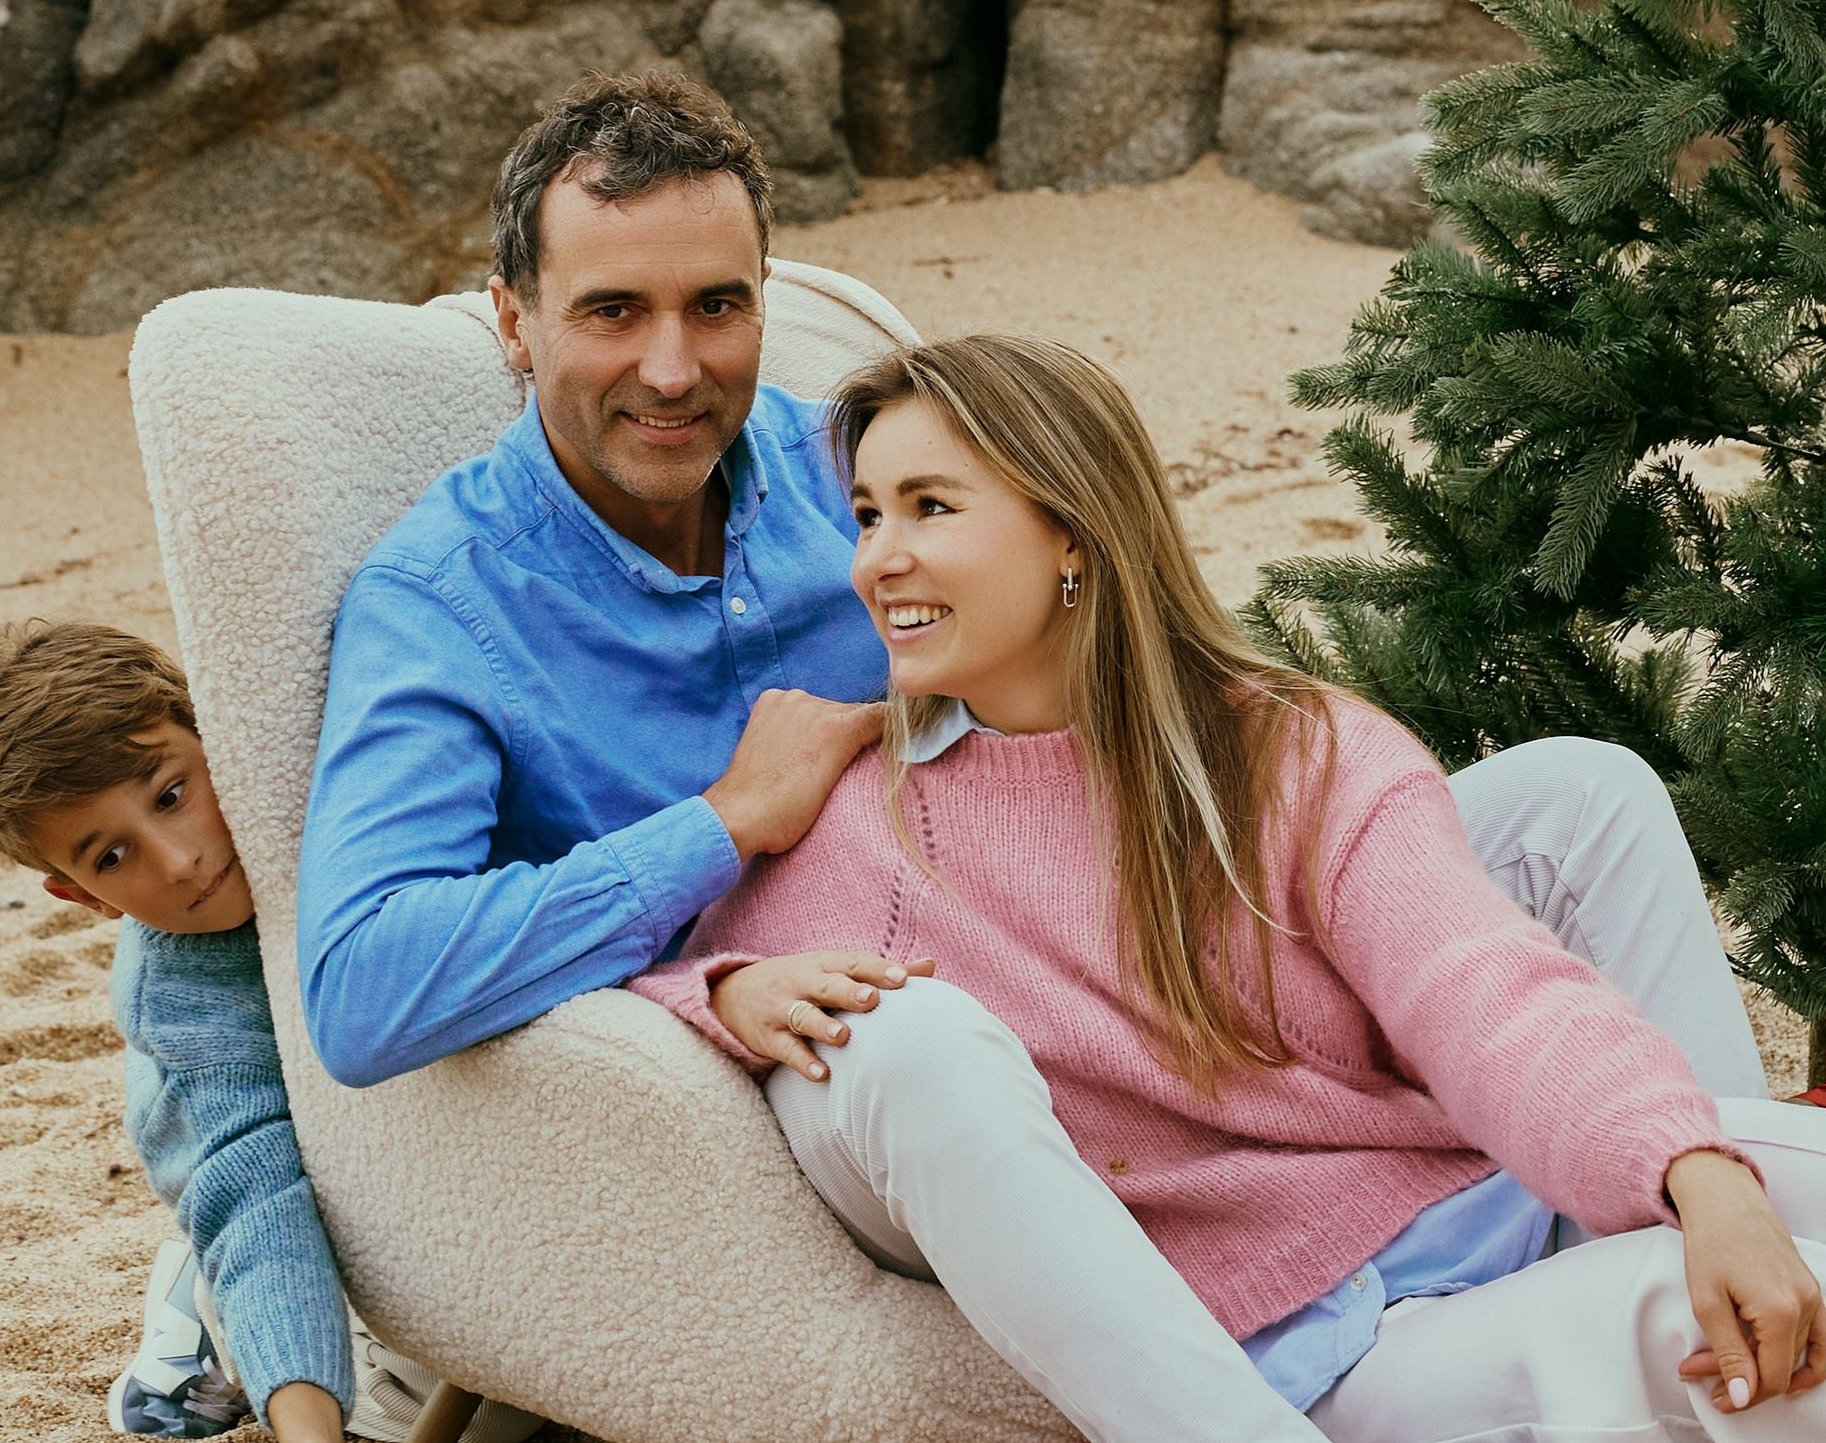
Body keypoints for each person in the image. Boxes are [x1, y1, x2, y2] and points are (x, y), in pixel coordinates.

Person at [298, 75, 1768, 1123]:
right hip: (907, 1033)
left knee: (1583, 801)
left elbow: (1104, 608)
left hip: (1117, 887)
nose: (675, 368)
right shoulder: (441, 602)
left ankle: (1742, 1211)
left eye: (718, 305)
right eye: (613, 311)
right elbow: (364, 988)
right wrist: (724, 822)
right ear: (514, 321)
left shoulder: (856, 464)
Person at [629, 333, 1826, 1443]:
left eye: (931, 507)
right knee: (1689, 1324)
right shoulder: (860, 825)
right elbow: (639, 996)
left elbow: (1482, 987)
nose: (878, 557)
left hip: (1497, 1201)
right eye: (870, 512)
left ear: (1072, 534)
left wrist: (1697, 1176)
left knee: (1749, 1208)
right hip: (1336, 1353)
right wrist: (730, 988)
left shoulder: (1292, 747)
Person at [0, 620, 361, 1443]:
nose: (178, 859)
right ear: (81, 896)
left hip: (354, 1135)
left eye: (172, 794)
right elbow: (257, 1200)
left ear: (218, 735)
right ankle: (197, 1315)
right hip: (238, 1176)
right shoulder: (182, 1002)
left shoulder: (324, 793)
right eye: (111, 857)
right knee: (462, 1415)